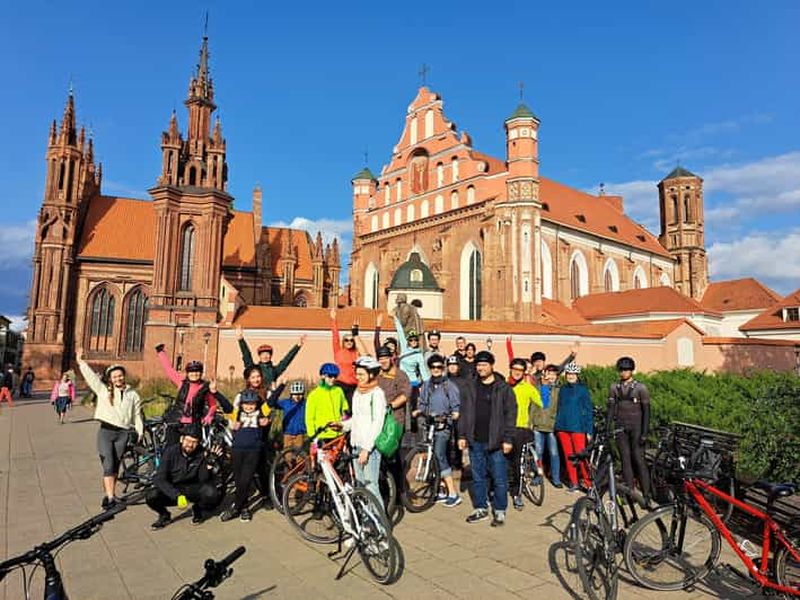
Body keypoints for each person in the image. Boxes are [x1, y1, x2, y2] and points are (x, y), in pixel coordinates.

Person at [76, 349, 144, 509]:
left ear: (123, 376)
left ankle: (111, 495)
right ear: (110, 379)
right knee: (108, 463)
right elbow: (91, 377)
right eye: (115, 376)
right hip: (106, 432)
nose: (118, 378)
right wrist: (81, 362)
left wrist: (140, 431)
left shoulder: (132, 394)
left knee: (115, 465)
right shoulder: (103, 391)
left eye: (120, 375)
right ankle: (110, 497)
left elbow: (137, 415)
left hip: (123, 433)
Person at [458, 351, 517, 527]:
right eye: (478, 365)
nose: (481, 368)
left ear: (492, 365)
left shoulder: (503, 388)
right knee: (478, 477)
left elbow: (511, 415)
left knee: (499, 478)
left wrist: (508, 439)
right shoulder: (470, 387)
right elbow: (464, 413)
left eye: (484, 364)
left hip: (497, 442)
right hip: (475, 440)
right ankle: (480, 508)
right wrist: (461, 435)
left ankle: (499, 511)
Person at [221, 380, 284, 522]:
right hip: (237, 450)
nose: (249, 406)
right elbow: (225, 405)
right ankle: (244, 509)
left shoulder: (261, 413)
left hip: (253, 451)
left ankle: (235, 508)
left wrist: (281, 386)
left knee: (246, 480)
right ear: (242, 404)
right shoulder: (236, 414)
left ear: (256, 404)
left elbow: (272, 401)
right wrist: (214, 392)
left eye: (252, 404)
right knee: (238, 481)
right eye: (246, 404)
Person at [147, 424, 222, 529]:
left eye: (194, 442)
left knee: (212, 493)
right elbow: (159, 478)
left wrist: (209, 465)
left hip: (192, 487)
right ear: (182, 439)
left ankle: (198, 509)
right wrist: (176, 495)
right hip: (174, 488)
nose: (190, 445)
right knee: (151, 496)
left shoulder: (201, 453)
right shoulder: (170, 452)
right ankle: (164, 515)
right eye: (188, 441)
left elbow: (203, 479)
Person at [155, 344, 227, 445]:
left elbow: (213, 405)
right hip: (177, 421)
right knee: (172, 449)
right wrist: (161, 353)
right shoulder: (181, 382)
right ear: (188, 373)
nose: (194, 374)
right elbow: (169, 370)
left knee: (192, 450)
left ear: (201, 373)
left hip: (194, 424)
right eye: (191, 371)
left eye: (197, 371)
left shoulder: (205, 387)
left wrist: (208, 417)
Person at [415, 354, 462, 506]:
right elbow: (422, 403)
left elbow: (456, 405)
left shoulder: (449, 386)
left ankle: (453, 492)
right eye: (433, 367)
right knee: (433, 456)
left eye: (439, 367)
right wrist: (418, 411)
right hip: (429, 425)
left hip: (443, 426)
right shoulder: (427, 385)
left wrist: (454, 413)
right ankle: (440, 489)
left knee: (439, 455)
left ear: (443, 368)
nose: (436, 369)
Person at [340, 356, 387, 502]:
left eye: (361, 374)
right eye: (357, 374)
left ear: (371, 374)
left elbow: (377, 423)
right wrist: (342, 425)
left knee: (371, 485)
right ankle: (366, 519)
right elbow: (357, 418)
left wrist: (367, 449)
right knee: (360, 486)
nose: (358, 377)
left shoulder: (377, 394)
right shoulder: (358, 392)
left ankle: (380, 523)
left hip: (369, 448)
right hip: (356, 445)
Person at [607, 356, 651, 502]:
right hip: (621, 428)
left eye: (626, 370)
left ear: (632, 371)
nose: (624, 373)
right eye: (621, 370)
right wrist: (608, 427)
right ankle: (630, 492)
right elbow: (611, 409)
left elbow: (646, 411)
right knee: (625, 460)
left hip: (637, 428)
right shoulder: (614, 387)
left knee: (639, 459)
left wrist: (645, 432)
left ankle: (646, 494)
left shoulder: (640, 388)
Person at [507, 358, 542, 510]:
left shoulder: (527, 388)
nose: (516, 372)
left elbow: (543, 403)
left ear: (523, 372)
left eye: (520, 370)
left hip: (521, 429)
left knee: (517, 464)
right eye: (514, 368)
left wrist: (544, 385)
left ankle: (516, 493)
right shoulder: (503, 386)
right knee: (499, 463)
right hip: (503, 429)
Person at [376, 345, 411, 492]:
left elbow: (405, 394)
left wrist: (391, 405)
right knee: (380, 458)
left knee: (393, 457)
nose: (383, 361)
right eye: (380, 358)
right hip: (378, 421)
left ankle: (399, 492)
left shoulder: (400, 375)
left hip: (395, 421)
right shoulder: (377, 375)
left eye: (385, 358)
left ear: (392, 358)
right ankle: (385, 491)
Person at [555, 363, 594, 491]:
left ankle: (589, 483)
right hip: (563, 427)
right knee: (568, 456)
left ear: (577, 375)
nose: (570, 376)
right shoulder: (563, 389)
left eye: (573, 374)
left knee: (581, 456)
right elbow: (559, 407)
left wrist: (589, 430)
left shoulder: (583, 390)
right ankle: (574, 482)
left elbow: (588, 410)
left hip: (578, 427)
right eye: (569, 374)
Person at [236, 325, 306, 388]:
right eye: (263, 354)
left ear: (271, 356)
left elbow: (286, 361)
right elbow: (247, 356)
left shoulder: (274, 371)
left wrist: (297, 346)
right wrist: (241, 340)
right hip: (253, 398)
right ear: (259, 356)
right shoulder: (254, 368)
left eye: (267, 354)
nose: (265, 356)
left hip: (269, 397)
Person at [530, 364, 562, 488]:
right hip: (538, 425)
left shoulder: (559, 390)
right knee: (538, 453)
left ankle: (556, 478)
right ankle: (538, 476)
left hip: (552, 426)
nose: (551, 376)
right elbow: (533, 406)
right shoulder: (538, 388)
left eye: (554, 374)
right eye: (549, 373)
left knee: (554, 453)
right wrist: (531, 422)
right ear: (545, 374)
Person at [393, 316, 430, 417]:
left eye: (415, 340)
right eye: (411, 340)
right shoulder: (404, 348)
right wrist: (395, 318)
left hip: (412, 383)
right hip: (401, 381)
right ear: (408, 341)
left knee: (411, 406)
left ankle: (413, 427)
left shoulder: (419, 355)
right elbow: (400, 332)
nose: (413, 341)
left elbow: (424, 372)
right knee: (399, 405)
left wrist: (429, 384)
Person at [505, 336, 579, 387]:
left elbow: (563, 365)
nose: (538, 364)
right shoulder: (534, 377)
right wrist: (508, 345)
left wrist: (573, 355)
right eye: (535, 362)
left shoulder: (551, 370)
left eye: (540, 361)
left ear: (544, 361)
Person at [305, 363, 349, 441]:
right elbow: (309, 418)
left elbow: (344, 408)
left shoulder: (339, 391)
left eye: (335, 376)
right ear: (322, 376)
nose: (333, 379)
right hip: (322, 436)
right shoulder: (314, 395)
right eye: (330, 376)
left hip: (339, 434)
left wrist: (345, 422)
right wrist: (312, 437)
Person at [329, 308, 359, 400]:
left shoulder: (357, 353)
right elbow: (335, 338)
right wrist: (334, 320)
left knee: (351, 410)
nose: (349, 342)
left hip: (353, 386)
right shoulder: (338, 351)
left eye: (351, 340)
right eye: (346, 340)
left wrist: (356, 332)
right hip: (340, 384)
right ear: (343, 342)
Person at [276, 380, 308, 450]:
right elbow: (274, 403)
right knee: (287, 453)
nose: (297, 396)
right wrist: (274, 392)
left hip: (299, 433)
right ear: (291, 394)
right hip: (288, 433)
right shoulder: (286, 403)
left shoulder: (305, 404)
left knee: (299, 454)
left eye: (300, 394)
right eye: (295, 394)